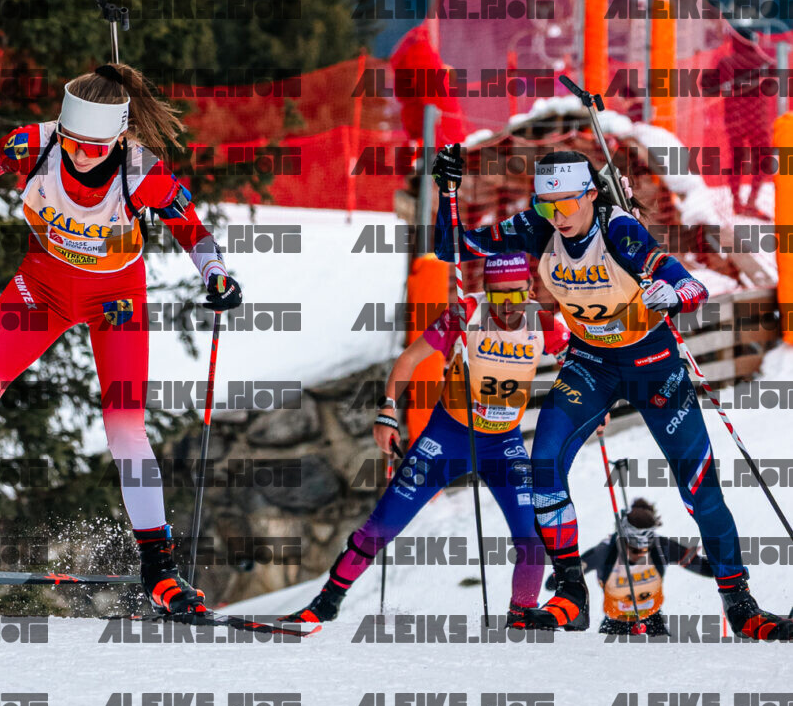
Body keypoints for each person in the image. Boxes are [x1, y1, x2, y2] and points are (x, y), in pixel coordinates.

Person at [0, 63, 241, 620]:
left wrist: (216, 274)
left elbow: (192, 228)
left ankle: (160, 569)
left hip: (115, 301)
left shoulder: (141, 171)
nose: (79, 155)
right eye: (72, 141)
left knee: (124, 428)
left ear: (119, 138)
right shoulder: (35, 144)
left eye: (94, 147)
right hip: (41, 289)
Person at [435, 142, 790, 639]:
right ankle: (571, 592)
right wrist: (446, 192)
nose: (556, 217)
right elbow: (452, 248)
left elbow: (693, 287)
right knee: (544, 465)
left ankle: (740, 603)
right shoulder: (538, 227)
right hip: (592, 365)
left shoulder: (618, 230)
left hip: (652, 366)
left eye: (565, 204)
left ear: (588, 195)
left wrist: (672, 293)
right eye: (545, 205)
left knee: (699, 485)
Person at [286, 252, 565, 630]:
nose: (508, 304)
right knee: (382, 526)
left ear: (530, 289)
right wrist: (387, 412)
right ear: (486, 291)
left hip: (502, 444)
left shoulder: (543, 322)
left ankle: (522, 616)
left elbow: (575, 362)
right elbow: (409, 360)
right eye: (498, 295)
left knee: (532, 538)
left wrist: (589, 409)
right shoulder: (465, 313)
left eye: (516, 294)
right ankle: (326, 603)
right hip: (447, 438)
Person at [583, 496, 717, 637]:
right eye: (634, 550)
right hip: (615, 623)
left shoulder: (661, 547)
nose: (640, 555)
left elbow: (705, 568)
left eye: (645, 549)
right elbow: (573, 571)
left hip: (652, 621)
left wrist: (723, 569)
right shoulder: (606, 551)